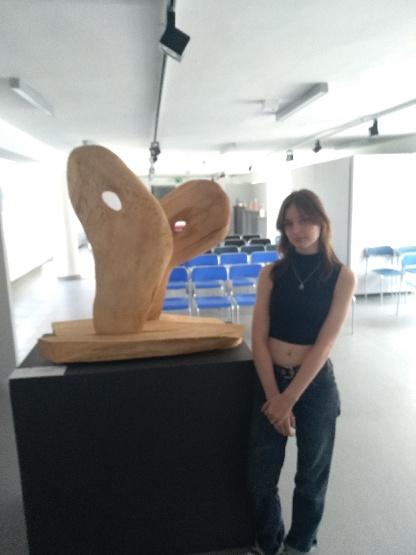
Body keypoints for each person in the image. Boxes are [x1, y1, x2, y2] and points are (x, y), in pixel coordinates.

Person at [247, 189, 356, 555]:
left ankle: (298, 546)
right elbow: (258, 338)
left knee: (311, 476)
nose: (297, 229)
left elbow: (325, 343)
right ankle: (268, 542)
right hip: (269, 380)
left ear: (322, 222)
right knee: (260, 474)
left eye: (305, 220)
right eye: (289, 223)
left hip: (315, 384)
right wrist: (274, 397)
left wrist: (290, 398)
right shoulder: (271, 274)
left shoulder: (342, 277)